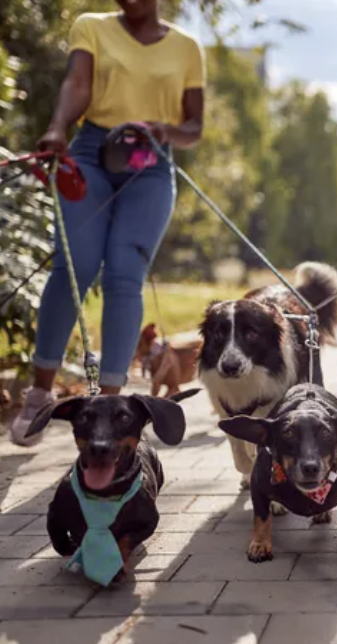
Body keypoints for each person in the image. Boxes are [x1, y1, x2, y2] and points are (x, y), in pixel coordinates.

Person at [8, 0, 205, 446]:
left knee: (123, 276)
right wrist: (58, 127)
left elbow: (194, 125)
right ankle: (39, 393)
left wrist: (167, 131)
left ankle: (111, 411)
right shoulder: (92, 27)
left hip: (150, 160)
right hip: (91, 153)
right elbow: (78, 82)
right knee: (74, 265)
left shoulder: (187, 47)